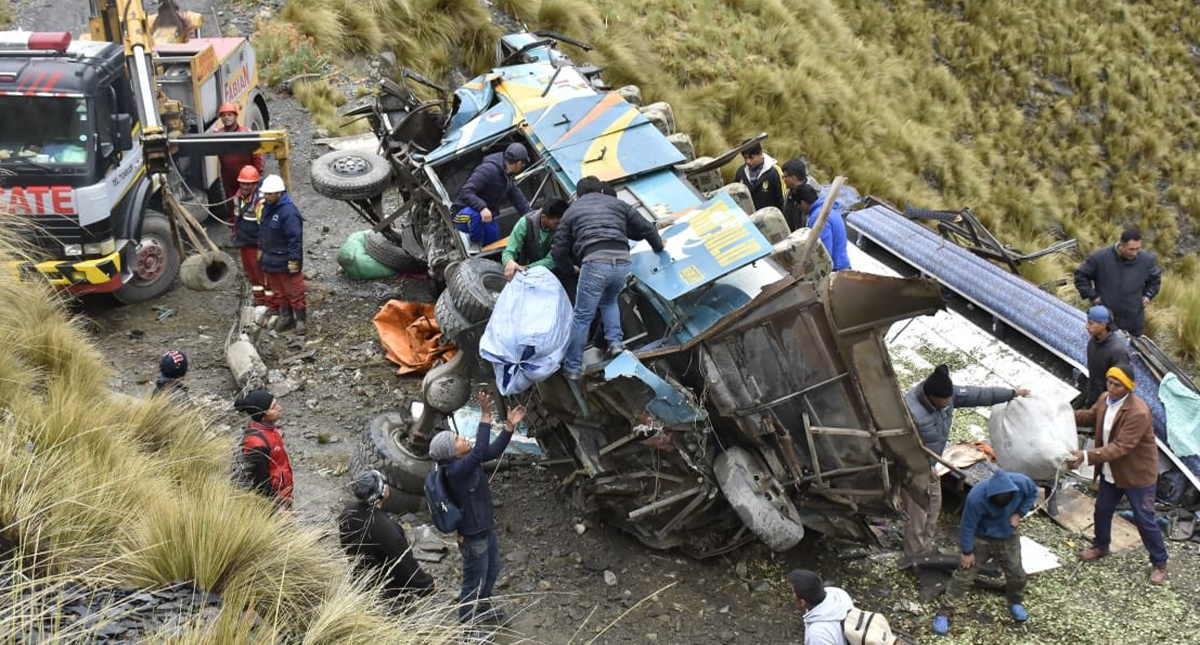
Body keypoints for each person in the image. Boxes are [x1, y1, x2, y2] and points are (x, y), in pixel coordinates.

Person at [901, 365, 1030, 558]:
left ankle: (925, 547)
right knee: (918, 512)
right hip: (911, 468)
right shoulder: (909, 411)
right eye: (943, 400)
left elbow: (977, 395)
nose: (947, 403)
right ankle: (914, 554)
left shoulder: (947, 397)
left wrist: (1011, 393)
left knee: (934, 505)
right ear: (930, 396)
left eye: (949, 399)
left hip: (930, 466)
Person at [551, 176, 665, 379]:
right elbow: (647, 228)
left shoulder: (572, 211)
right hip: (622, 263)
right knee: (610, 301)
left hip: (595, 263)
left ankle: (574, 368)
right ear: (602, 191)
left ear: (578, 196)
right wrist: (659, 246)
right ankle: (615, 343)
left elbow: (558, 251)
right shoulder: (618, 204)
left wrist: (570, 269)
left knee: (582, 316)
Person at [427, 391, 527, 624]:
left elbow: (491, 451)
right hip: (473, 539)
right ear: (451, 453)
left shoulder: (464, 461)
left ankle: (482, 610)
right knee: (472, 582)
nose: (463, 438)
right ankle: (467, 629)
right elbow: (482, 451)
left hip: (485, 531)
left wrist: (509, 427)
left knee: (492, 572)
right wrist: (485, 414)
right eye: (457, 440)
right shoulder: (456, 472)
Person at [1068, 363, 1168, 584]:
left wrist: (1085, 456)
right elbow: (1090, 416)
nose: (1111, 387)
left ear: (1128, 388)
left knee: (1144, 519)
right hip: (1111, 469)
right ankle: (1101, 545)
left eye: (1117, 385)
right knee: (1102, 509)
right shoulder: (1105, 399)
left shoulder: (1138, 412)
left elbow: (1121, 446)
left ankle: (1160, 562)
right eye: (1109, 382)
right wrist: (1064, 412)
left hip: (1136, 474)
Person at [932, 470, 1037, 636]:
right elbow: (967, 526)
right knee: (964, 575)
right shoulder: (976, 497)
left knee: (1017, 574)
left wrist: (1019, 513)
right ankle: (944, 612)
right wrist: (967, 552)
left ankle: (1015, 601)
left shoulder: (1022, 482)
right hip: (981, 538)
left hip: (1007, 536)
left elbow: (1033, 493)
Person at [339, 470, 435, 605]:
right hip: (387, 597)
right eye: (385, 483)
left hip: (359, 585)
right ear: (382, 492)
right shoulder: (388, 531)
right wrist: (427, 585)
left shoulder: (348, 512)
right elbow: (405, 566)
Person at [1073, 228, 1162, 336]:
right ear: (1120, 245)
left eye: (1138, 249)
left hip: (1134, 322)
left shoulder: (1146, 260)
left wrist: (1148, 295)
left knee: (1130, 352)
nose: (1135, 253)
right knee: (1104, 350)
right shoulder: (1100, 258)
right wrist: (1093, 296)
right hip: (1105, 321)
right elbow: (1080, 276)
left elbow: (1155, 280)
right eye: (1131, 249)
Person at [454, 142, 532, 247]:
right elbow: (466, 191)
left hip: (484, 217)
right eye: (523, 164)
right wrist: (482, 207)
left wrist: (534, 218)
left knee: (493, 235)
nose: (522, 167)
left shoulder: (508, 177)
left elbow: (520, 202)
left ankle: (489, 257)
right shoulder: (488, 170)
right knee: (476, 216)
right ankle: (475, 246)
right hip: (460, 215)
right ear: (518, 164)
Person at [258, 174, 307, 335]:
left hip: (285, 259)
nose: (265, 196)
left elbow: (295, 239)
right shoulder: (267, 207)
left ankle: (301, 320)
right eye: (265, 193)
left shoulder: (289, 213)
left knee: (294, 291)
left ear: (279, 193)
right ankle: (287, 317)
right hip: (271, 259)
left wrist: (294, 262)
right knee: (279, 291)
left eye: (269, 194)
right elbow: (264, 231)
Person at [234, 389, 294, 508]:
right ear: (263, 416)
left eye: (277, 403)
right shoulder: (257, 444)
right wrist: (278, 509)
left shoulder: (268, 428)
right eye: (273, 407)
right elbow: (261, 483)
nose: (279, 407)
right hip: (273, 503)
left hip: (283, 495)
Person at [211, 101, 263, 219]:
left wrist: (257, 175)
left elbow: (257, 155)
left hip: (247, 178)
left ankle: (253, 229)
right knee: (232, 206)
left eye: (229, 115)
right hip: (229, 179)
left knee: (251, 204)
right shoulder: (217, 135)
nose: (226, 118)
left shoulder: (246, 133)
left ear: (235, 116)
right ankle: (236, 231)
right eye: (224, 115)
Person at [501, 197, 568, 280]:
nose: (560, 226)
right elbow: (509, 251)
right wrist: (509, 262)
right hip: (526, 275)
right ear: (544, 217)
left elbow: (553, 260)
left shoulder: (564, 227)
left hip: (551, 274)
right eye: (556, 223)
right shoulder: (525, 223)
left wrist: (526, 268)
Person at [232, 165, 268, 306]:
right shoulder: (238, 196)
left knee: (261, 274)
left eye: (247, 184)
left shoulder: (260, 201)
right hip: (244, 241)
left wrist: (262, 247)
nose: (244, 186)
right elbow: (236, 217)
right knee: (250, 273)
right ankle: (259, 298)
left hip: (256, 243)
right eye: (242, 183)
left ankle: (269, 302)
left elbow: (265, 226)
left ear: (255, 183)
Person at [1082, 305, 1130, 408]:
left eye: (1090, 323)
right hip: (1092, 394)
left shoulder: (1118, 352)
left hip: (1106, 403)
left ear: (1103, 325)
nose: (1086, 326)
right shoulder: (1093, 341)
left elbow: (1120, 384)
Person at [788, 569, 852, 645]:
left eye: (793, 592)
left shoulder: (818, 635)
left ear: (803, 602)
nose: (792, 595)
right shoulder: (839, 595)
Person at [735, 142, 784, 212]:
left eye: (751, 157)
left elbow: (782, 199)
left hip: (769, 219)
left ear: (760, 154)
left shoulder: (774, 172)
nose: (748, 161)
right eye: (745, 158)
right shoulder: (741, 172)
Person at [780, 158, 818, 232]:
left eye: (784, 177)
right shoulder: (791, 189)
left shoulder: (809, 196)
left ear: (794, 178)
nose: (783, 180)